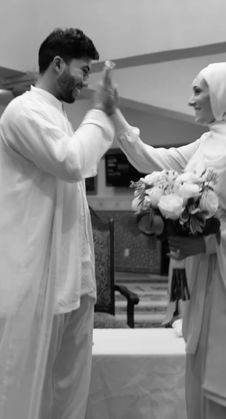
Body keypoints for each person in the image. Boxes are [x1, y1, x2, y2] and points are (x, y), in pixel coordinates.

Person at [0, 28, 117, 419]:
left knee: (68, 391)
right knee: (29, 390)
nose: (86, 82)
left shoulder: (58, 114)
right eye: (84, 71)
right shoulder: (24, 110)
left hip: (72, 276)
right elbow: (70, 162)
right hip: (38, 279)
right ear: (57, 64)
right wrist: (100, 112)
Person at [109, 62, 226, 419]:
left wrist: (210, 244)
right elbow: (151, 159)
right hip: (197, 276)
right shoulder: (208, 141)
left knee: (222, 384)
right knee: (197, 377)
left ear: (224, 93)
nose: (190, 99)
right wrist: (114, 114)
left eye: (199, 91)